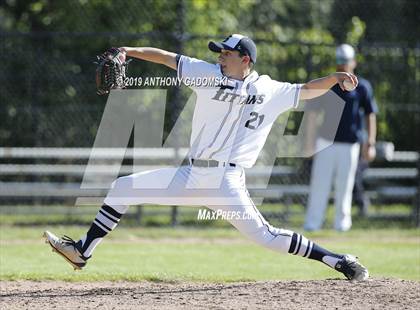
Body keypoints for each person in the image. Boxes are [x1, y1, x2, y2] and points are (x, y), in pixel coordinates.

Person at [44, 34, 368, 280]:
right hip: (190, 176)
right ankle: (82, 251)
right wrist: (129, 51)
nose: (221, 58)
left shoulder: (269, 90)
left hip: (227, 183)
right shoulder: (207, 74)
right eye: (220, 53)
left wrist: (335, 79)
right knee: (122, 188)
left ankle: (337, 260)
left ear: (245, 60)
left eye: (227, 54)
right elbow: (168, 58)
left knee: (267, 237)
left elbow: (307, 89)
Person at [304, 44, 378, 231]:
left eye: (346, 61)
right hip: (325, 143)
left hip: (350, 144)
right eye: (340, 61)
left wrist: (370, 144)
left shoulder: (363, 87)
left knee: (345, 187)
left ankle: (342, 226)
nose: (343, 65)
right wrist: (310, 142)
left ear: (353, 62)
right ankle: (313, 224)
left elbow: (370, 115)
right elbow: (312, 114)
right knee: (319, 186)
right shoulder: (328, 85)